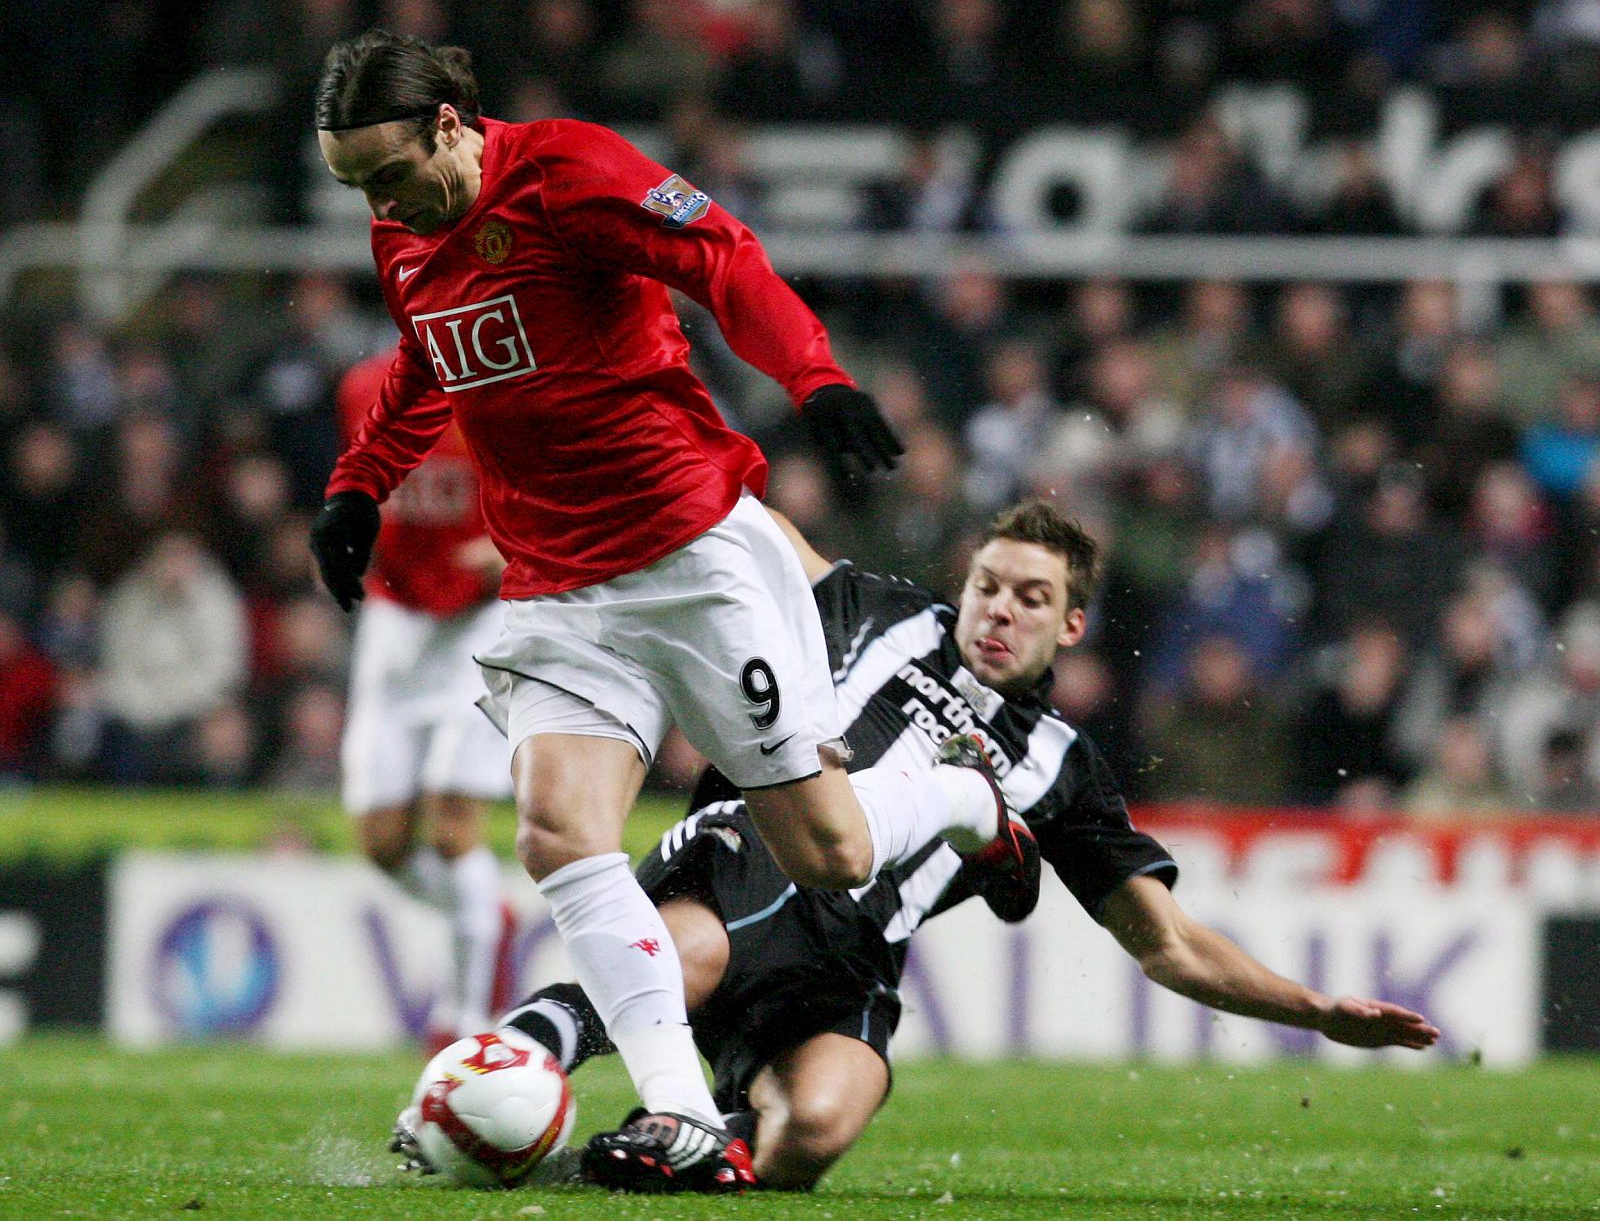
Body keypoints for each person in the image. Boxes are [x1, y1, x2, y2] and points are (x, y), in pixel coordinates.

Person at [309, 29, 1035, 1193]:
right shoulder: (404, 217)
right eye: (357, 186)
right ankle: (682, 1111)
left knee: (832, 851)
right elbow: (426, 357)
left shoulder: (571, 173)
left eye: (389, 174)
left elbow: (723, 258)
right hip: (554, 580)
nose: (381, 204)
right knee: (555, 832)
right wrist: (358, 483)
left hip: (691, 553)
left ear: (452, 123)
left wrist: (816, 376)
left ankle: (957, 795)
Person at [446, 499, 1440, 1191]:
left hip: (849, 954)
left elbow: (1165, 940)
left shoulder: (1062, 765)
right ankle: (504, 1067)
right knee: (696, 952)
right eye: (988, 585)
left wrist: (1313, 1009)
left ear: (1073, 623)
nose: (999, 609)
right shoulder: (870, 608)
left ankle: (620, 1159)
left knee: (817, 1130)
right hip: (747, 856)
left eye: (1030, 597)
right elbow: (743, 523)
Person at [334, 349, 514, 1051]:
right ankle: (479, 912)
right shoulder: (361, 384)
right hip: (397, 615)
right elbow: (357, 481)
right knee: (381, 842)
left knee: (449, 827)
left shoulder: (504, 380)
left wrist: (512, 544)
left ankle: (465, 1026)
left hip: (486, 617)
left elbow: (555, 481)